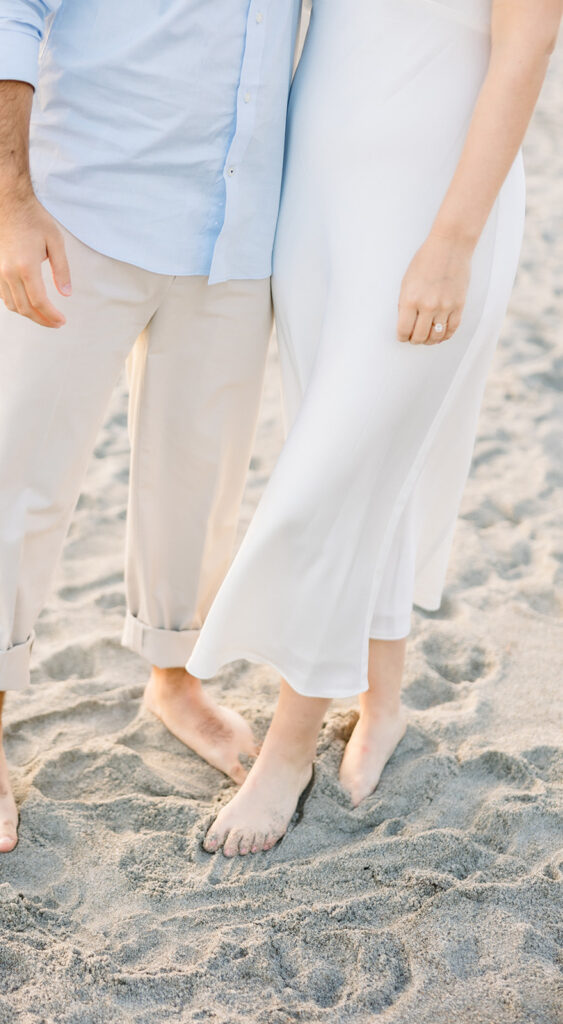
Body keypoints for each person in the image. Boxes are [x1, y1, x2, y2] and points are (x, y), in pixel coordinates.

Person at [187, 0, 563, 857]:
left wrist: (452, 242)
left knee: (333, 473)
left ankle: (287, 748)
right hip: (317, 196)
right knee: (367, 464)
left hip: (430, 206)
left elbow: (526, 50)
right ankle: (382, 697)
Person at [0, 0, 304, 855]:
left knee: (200, 482)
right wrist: (7, 205)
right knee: (20, 473)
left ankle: (172, 680)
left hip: (236, 227)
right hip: (79, 213)